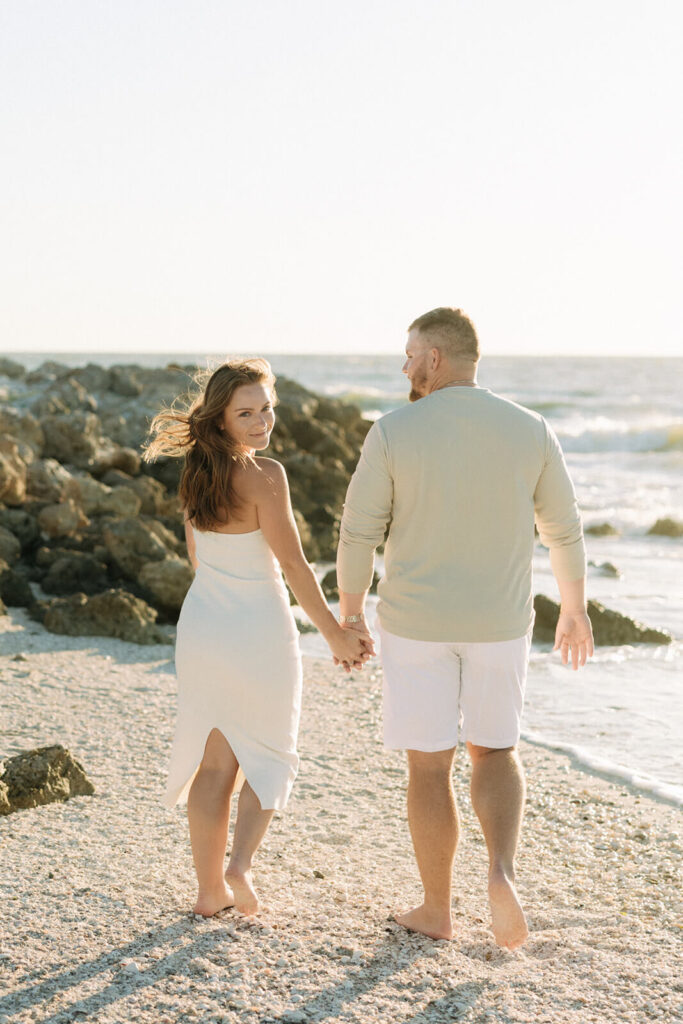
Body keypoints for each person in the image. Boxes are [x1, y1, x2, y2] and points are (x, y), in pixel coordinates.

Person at [336, 308, 593, 948]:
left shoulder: (393, 431)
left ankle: (437, 910)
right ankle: (501, 874)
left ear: (437, 358)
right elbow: (563, 529)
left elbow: (358, 532)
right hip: (500, 621)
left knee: (429, 766)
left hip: (416, 623)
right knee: (495, 750)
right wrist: (574, 607)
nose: (405, 366)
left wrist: (350, 612)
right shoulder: (530, 428)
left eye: (411, 354)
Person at [144, 358, 371, 918]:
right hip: (259, 628)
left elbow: (197, 558)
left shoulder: (196, 474)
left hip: (203, 626)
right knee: (270, 754)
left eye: (266, 408)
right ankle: (238, 868)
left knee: (214, 763)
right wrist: (335, 635)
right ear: (220, 419)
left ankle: (208, 892)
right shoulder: (266, 475)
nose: (261, 421)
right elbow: (293, 566)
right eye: (246, 412)